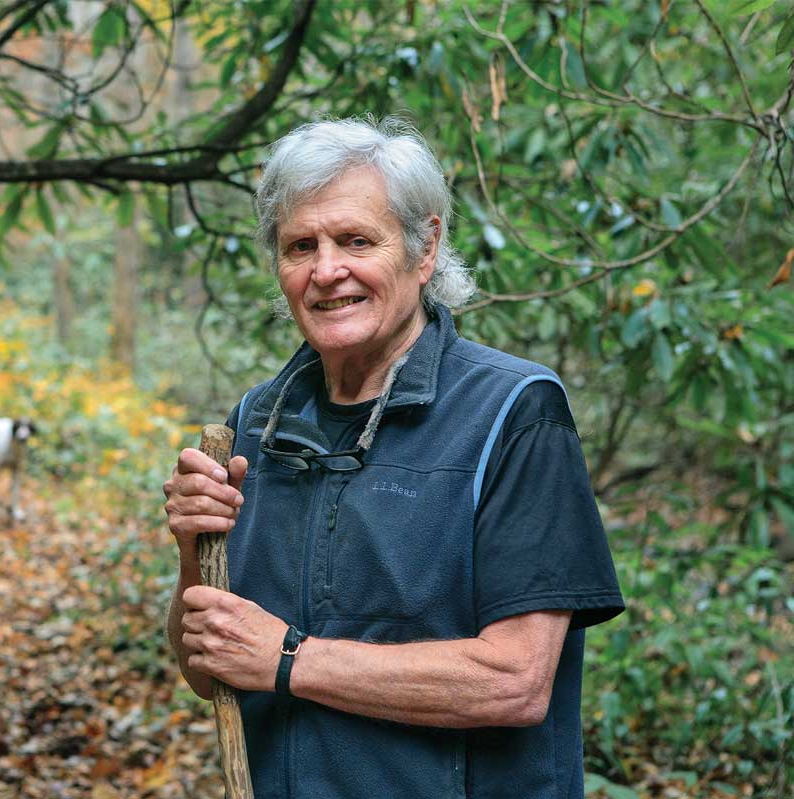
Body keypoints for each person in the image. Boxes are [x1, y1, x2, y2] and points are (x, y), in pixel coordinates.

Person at [163, 117, 624, 798]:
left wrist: (289, 658)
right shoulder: (257, 424)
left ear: (424, 246)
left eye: (356, 240)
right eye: (300, 246)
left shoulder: (514, 411)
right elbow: (210, 670)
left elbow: (517, 681)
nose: (326, 271)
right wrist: (190, 548)